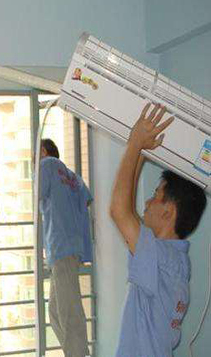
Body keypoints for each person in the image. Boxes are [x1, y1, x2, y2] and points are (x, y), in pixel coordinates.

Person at [110, 103, 207, 356]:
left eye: (155, 195)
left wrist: (135, 143)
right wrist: (141, 152)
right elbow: (127, 213)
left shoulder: (161, 259)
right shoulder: (173, 261)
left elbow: (119, 212)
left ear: (168, 211)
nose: (147, 203)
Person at [39, 138, 93, 357]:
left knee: (69, 312)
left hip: (60, 244)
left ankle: (78, 354)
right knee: (55, 311)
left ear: (43, 151)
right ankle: (75, 352)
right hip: (71, 246)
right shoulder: (71, 175)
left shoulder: (46, 165)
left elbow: (37, 194)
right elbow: (86, 198)